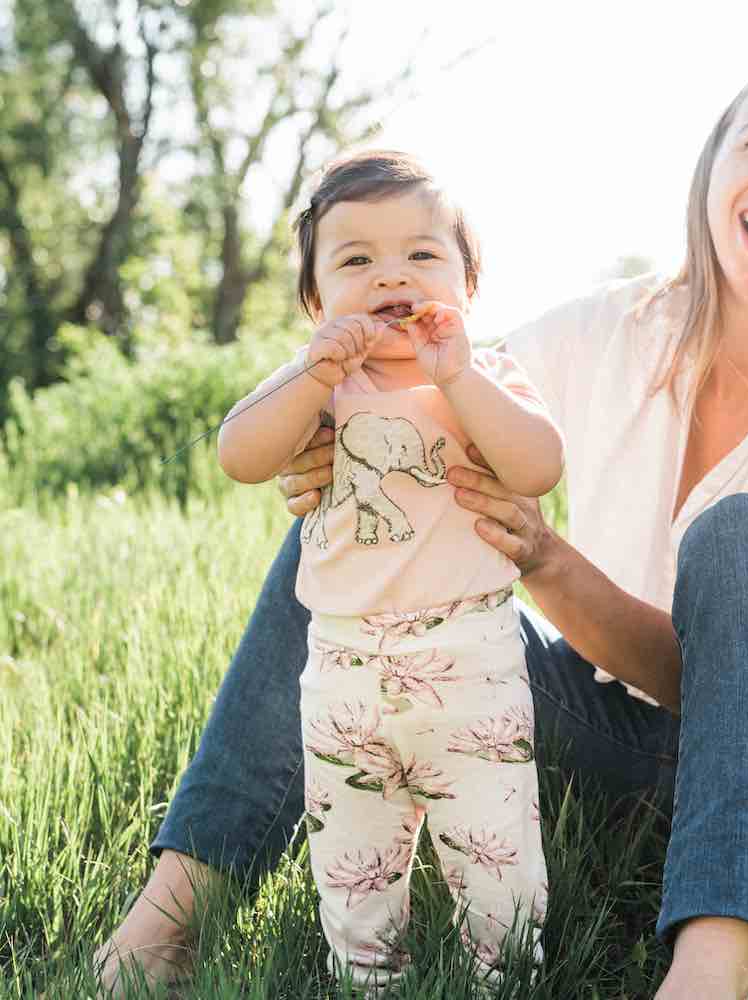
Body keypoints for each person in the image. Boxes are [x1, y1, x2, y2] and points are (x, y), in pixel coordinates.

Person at [94, 38, 748, 1000]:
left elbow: (730, 686)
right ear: (714, 169)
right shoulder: (619, 326)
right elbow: (428, 371)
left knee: (739, 535)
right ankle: (171, 912)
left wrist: (547, 563)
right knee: (377, 524)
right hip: (624, 742)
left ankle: (709, 972)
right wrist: (329, 431)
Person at [216, 150, 560, 993]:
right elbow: (239, 454)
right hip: (342, 673)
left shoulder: (484, 378)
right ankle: (367, 975)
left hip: (470, 666)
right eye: (356, 260)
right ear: (314, 300)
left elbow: (539, 465)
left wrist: (460, 374)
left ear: (468, 287)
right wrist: (312, 372)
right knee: (352, 858)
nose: (390, 277)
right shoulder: (318, 388)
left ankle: (503, 974)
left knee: (496, 849)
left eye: (421, 255)